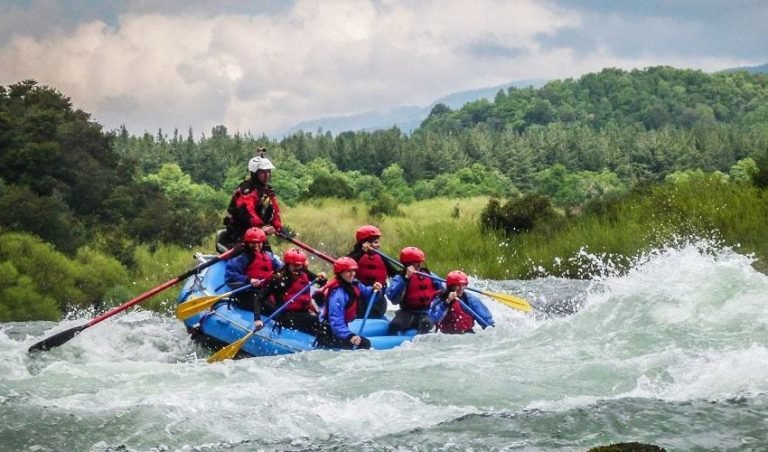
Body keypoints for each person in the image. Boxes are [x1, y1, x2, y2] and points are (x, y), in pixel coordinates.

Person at [221, 147, 282, 251]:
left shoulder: (268, 190)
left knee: (268, 258)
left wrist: (278, 227)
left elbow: (275, 210)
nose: (267, 175)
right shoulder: (246, 189)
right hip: (239, 233)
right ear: (254, 173)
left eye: (268, 172)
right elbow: (247, 212)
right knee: (249, 259)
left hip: (257, 233)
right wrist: (261, 227)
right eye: (263, 172)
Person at [315, 257, 382, 350]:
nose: (352, 274)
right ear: (340, 273)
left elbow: (367, 294)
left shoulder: (354, 284)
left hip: (340, 331)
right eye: (348, 271)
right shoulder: (337, 294)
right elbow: (335, 320)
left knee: (363, 343)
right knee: (365, 344)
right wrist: (349, 336)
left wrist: (375, 290)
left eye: (354, 271)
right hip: (329, 334)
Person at [224, 227, 283, 331]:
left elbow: (282, 269)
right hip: (248, 293)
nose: (256, 246)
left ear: (263, 242)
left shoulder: (268, 256)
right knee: (273, 311)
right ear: (247, 243)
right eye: (252, 243)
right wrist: (248, 280)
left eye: (259, 243)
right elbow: (230, 276)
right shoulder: (242, 257)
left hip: (265, 292)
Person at [256, 248, 326, 335]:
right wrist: (257, 319)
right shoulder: (277, 278)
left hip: (301, 312)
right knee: (315, 321)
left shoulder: (303, 272)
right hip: (283, 315)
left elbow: (322, 282)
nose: (296, 268)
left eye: (299, 265)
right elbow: (260, 298)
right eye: (293, 265)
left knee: (323, 321)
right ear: (287, 264)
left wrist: (322, 278)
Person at [386, 246, 443, 334]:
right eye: (416, 263)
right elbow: (391, 295)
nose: (419, 265)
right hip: (407, 312)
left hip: (426, 312)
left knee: (426, 324)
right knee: (394, 325)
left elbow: (442, 290)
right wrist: (406, 278)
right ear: (408, 264)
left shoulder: (429, 274)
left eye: (420, 262)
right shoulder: (400, 277)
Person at [346, 225, 397, 317]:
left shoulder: (381, 257)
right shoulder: (354, 256)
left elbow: (395, 274)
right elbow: (346, 266)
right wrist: (362, 252)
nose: (379, 245)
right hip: (359, 297)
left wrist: (407, 272)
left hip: (377, 297)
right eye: (375, 242)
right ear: (366, 243)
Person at [429, 270, 495, 334]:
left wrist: (491, 329)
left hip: (466, 335)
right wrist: (448, 302)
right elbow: (434, 317)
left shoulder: (469, 299)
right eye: (458, 285)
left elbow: (486, 320)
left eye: (463, 285)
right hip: (444, 336)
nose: (461, 288)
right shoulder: (440, 297)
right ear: (450, 286)